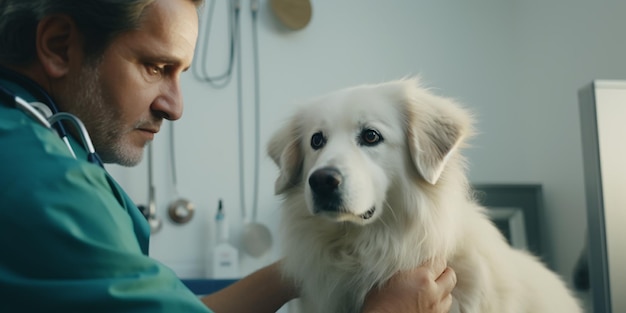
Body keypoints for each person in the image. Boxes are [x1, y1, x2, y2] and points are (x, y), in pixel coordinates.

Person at [0, 0, 457, 312]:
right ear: (59, 45)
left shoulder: (44, 145)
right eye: (156, 68)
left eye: (182, 74)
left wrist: (307, 268)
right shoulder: (38, 179)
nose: (175, 107)